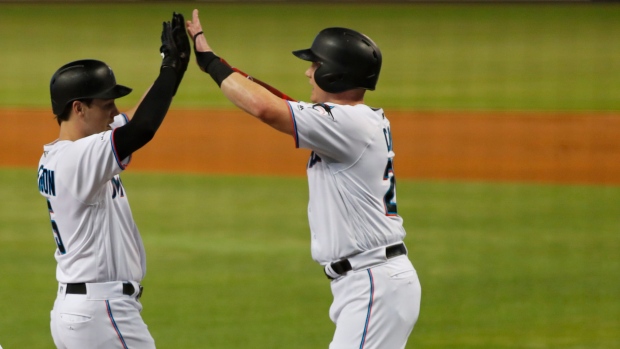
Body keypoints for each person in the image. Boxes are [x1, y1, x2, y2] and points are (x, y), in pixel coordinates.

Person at [186, 9, 421, 349]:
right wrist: (217, 59)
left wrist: (209, 63)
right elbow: (282, 102)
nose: (308, 72)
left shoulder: (347, 125)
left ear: (334, 74)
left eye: (315, 65)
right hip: (372, 281)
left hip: (373, 283)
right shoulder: (352, 121)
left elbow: (266, 109)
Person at [37, 13, 190, 349]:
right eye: (106, 105)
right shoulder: (79, 158)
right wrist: (168, 71)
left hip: (79, 309)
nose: (114, 111)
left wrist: (172, 71)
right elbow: (142, 129)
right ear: (78, 108)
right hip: (101, 313)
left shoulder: (64, 154)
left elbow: (133, 119)